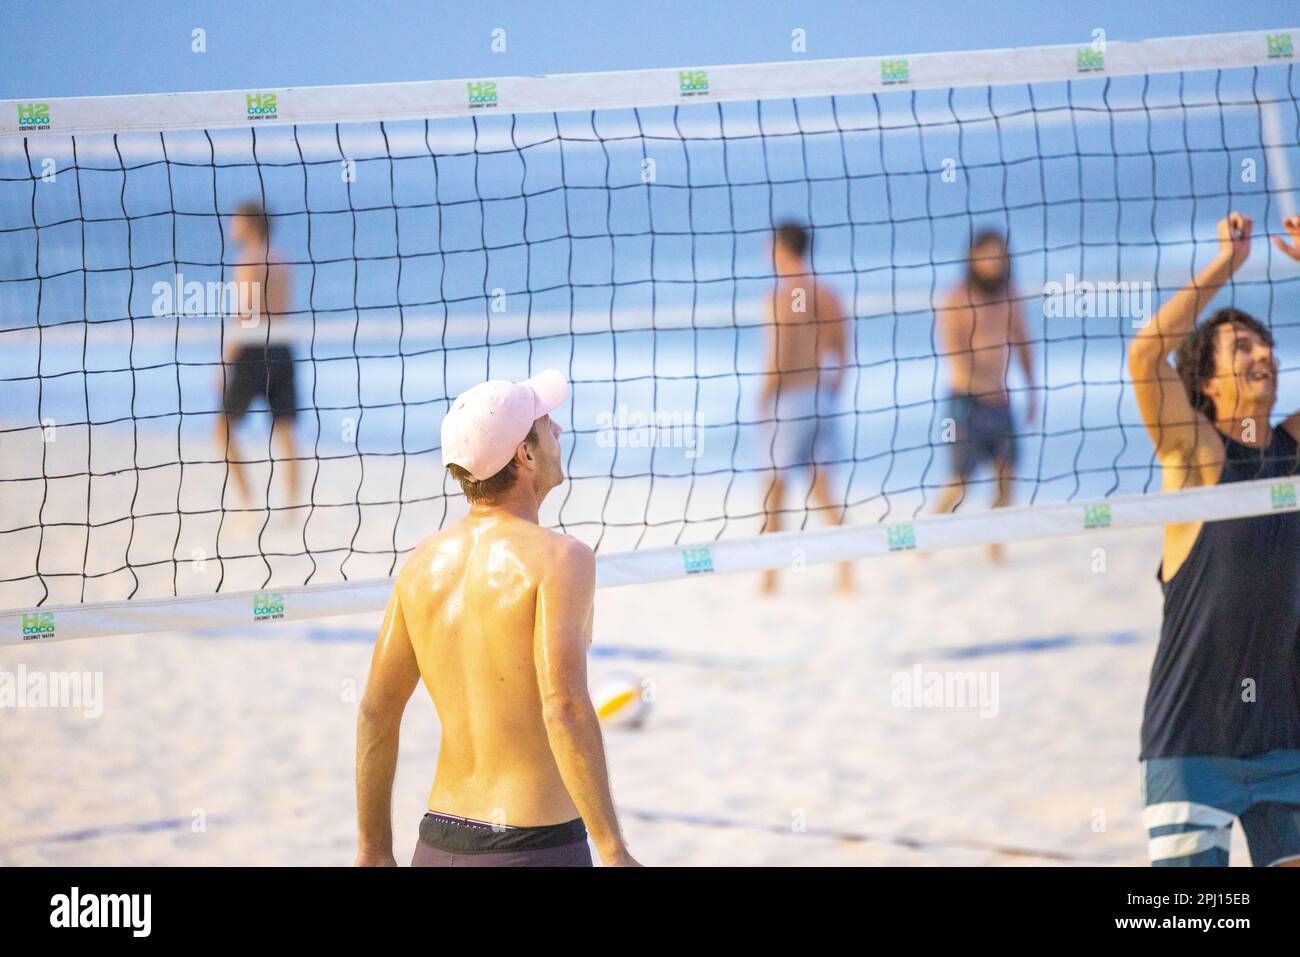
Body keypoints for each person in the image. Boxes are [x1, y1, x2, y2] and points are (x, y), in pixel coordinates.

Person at [353, 369, 640, 867]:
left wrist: (373, 849)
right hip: (532, 847)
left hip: (438, 842)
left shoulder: (420, 565)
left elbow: (377, 712)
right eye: (547, 424)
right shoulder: (561, 559)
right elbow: (564, 708)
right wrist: (614, 850)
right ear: (524, 456)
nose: (559, 432)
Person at [1127, 212, 1300, 866]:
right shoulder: (1194, 452)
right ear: (1206, 383)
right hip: (1193, 739)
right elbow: (1145, 354)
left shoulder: (1290, 449)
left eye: (1265, 345)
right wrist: (1226, 265)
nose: (1262, 355)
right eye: (1241, 348)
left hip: (1283, 737)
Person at [757, 221, 852, 595]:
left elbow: (778, 357)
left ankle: (769, 577)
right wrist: (829, 393)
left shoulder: (780, 295)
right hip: (821, 398)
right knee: (823, 489)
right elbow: (842, 354)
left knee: (774, 493)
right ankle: (846, 569)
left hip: (790, 400)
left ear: (780, 248)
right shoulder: (826, 293)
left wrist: (764, 398)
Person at [932, 229, 1037, 563]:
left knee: (1007, 479)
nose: (995, 263)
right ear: (973, 257)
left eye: (1001, 256)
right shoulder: (956, 298)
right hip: (963, 404)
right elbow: (955, 356)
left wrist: (1033, 391)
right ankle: (927, 540)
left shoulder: (1011, 296)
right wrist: (984, 385)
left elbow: (1023, 343)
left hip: (1001, 403)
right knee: (958, 484)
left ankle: (996, 551)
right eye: (989, 256)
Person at [215, 201, 298, 510]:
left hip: (252, 350)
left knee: (222, 430)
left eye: (235, 220)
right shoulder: (283, 262)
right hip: (282, 346)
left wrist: (224, 364)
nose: (231, 225)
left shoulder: (247, 262)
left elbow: (245, 317)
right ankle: (292, 509)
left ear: (250, 224)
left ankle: (248, 503)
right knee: (286, 431)